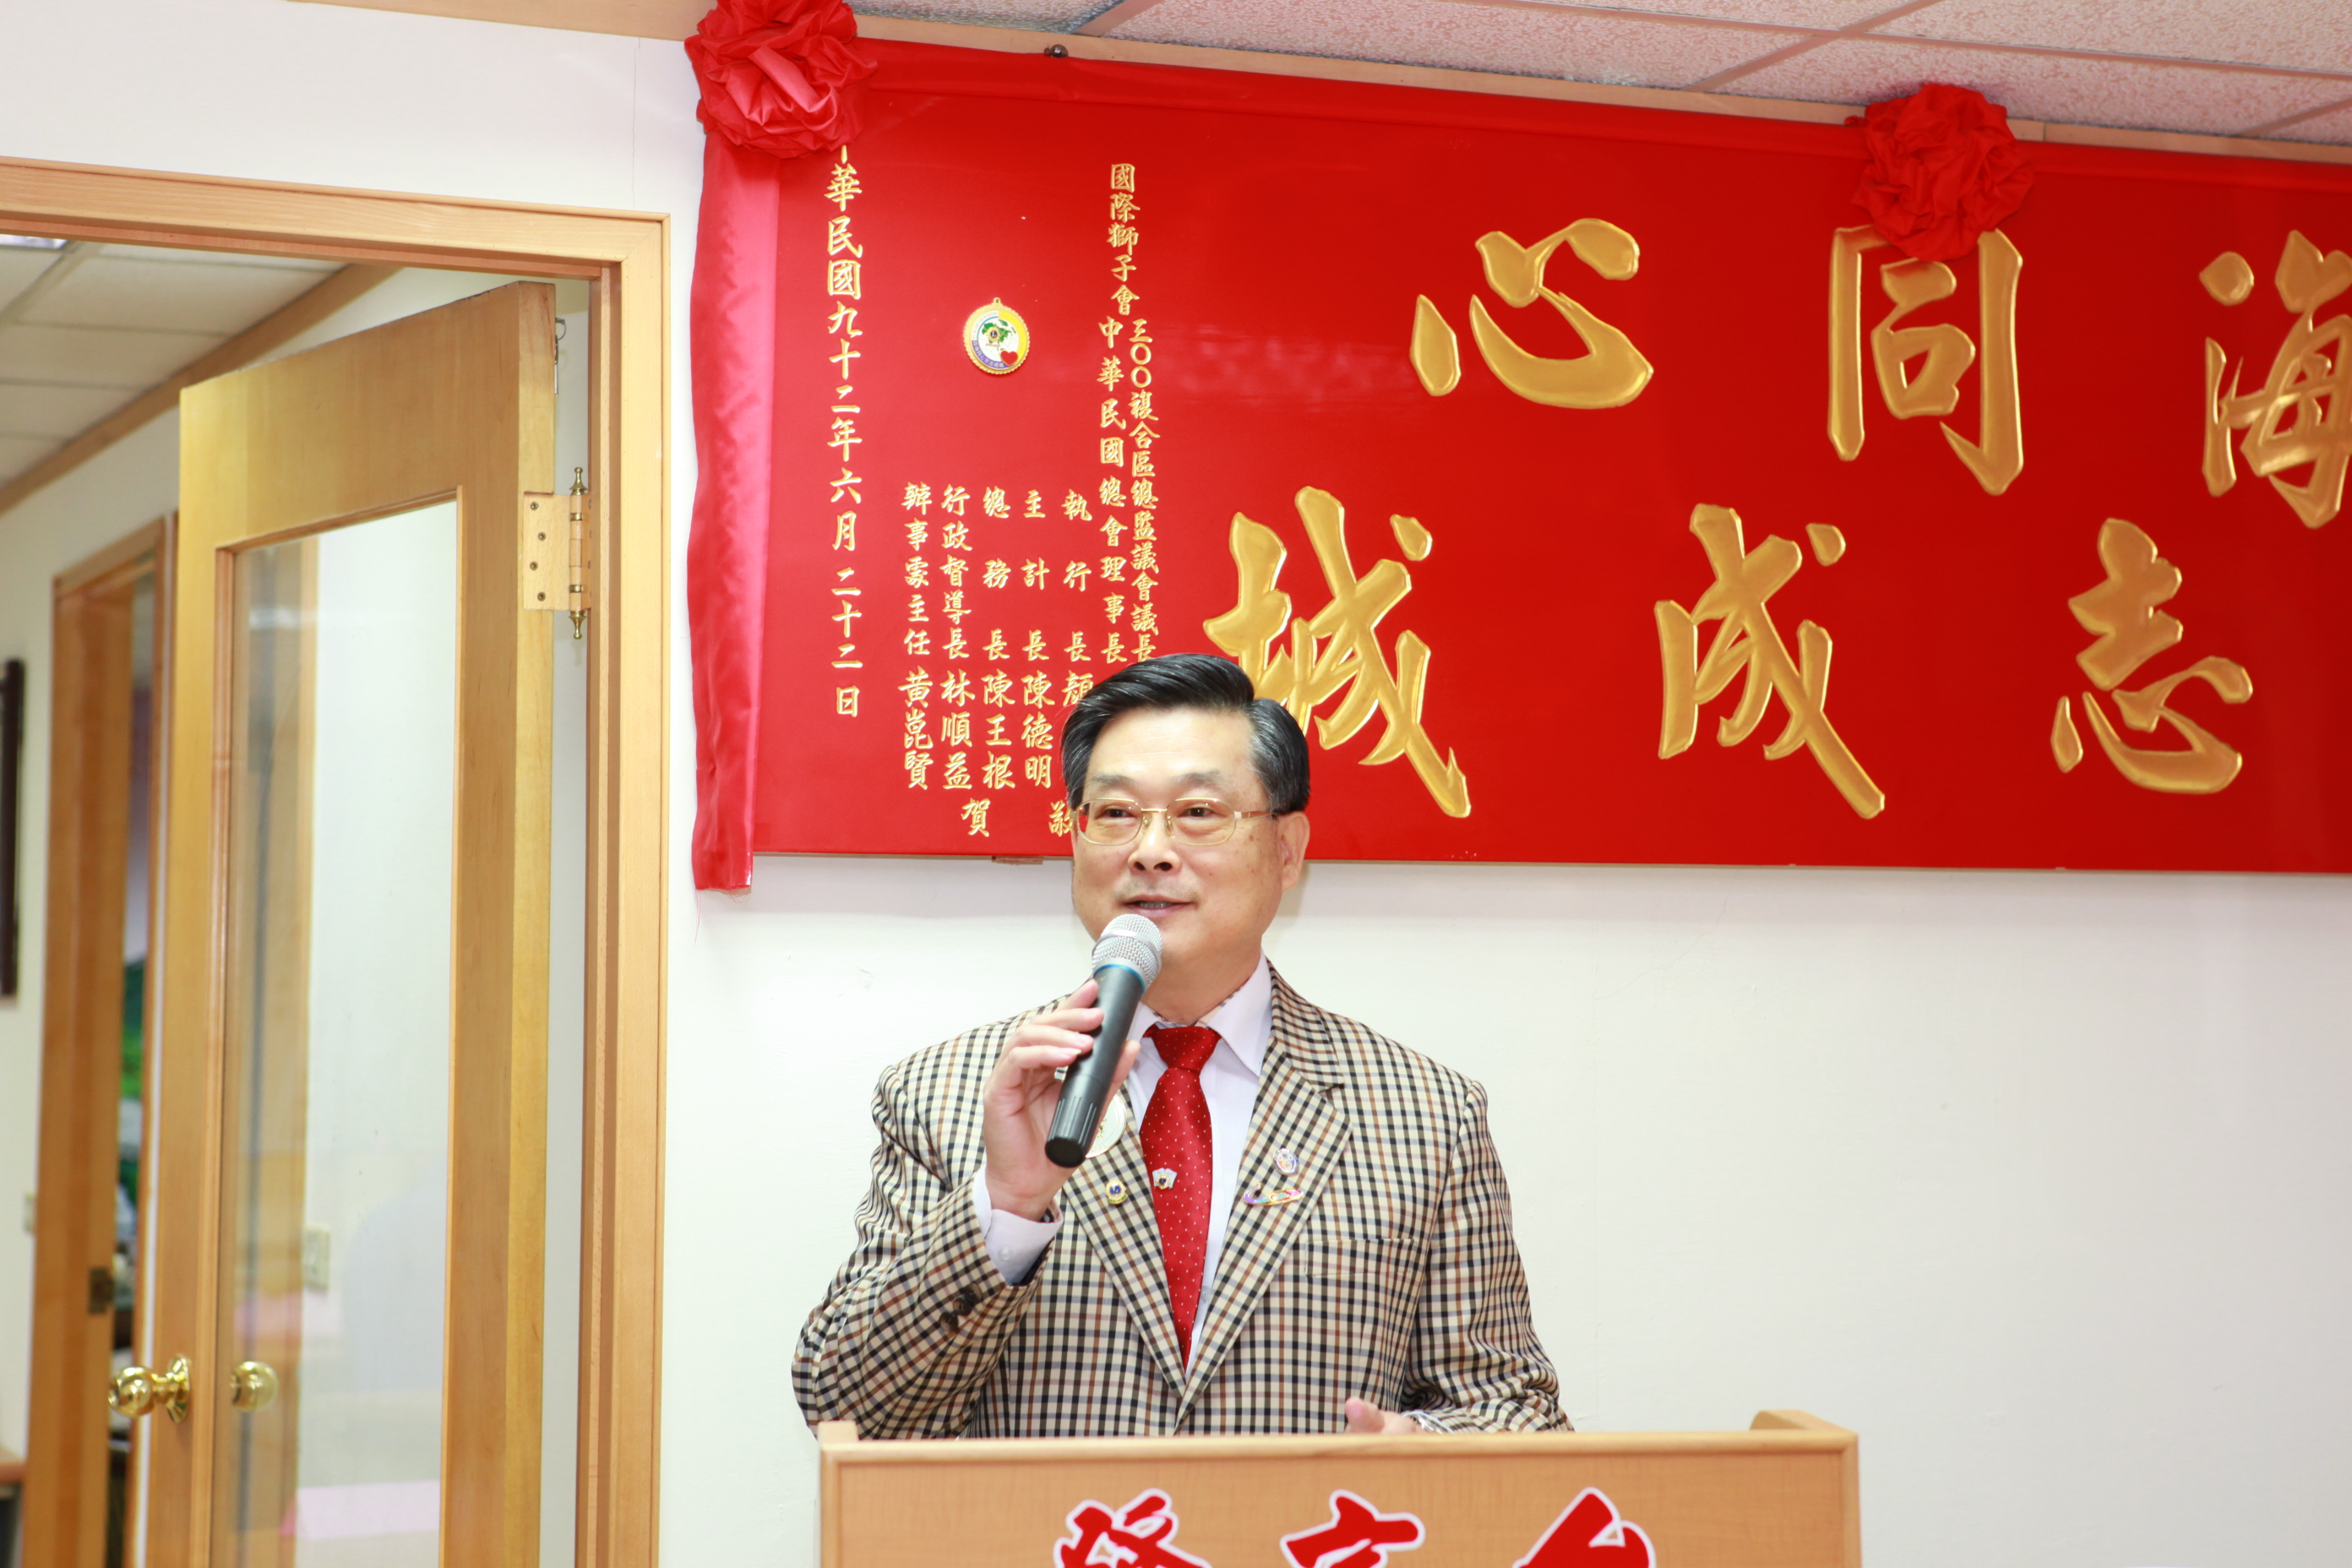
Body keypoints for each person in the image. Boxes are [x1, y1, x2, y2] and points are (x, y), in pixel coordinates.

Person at [792, 654, 1563, 1437]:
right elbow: (846, 1411)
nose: (1151, 850)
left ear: (1287, 850)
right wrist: (1006, 1207)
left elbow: (1517, 1412)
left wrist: (1419, 1451)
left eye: (1198, 811)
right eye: (1115, 813)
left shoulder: (1424, 1113)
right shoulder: (949, 1091)